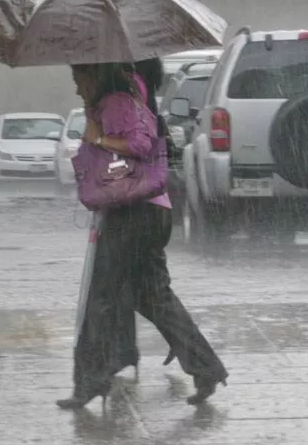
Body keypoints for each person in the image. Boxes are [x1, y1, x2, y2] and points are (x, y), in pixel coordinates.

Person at [58, 61, 228, 410]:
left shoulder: (119, 100)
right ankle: (205, 367)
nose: (76, 87)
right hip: (150, 210)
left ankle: (90, 381)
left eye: (79, 78)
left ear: (95, 74)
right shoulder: (121, 97)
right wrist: (93, 119)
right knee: (153, 297)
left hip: (134, 213)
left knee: (101, 297)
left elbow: (140, 144)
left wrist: (99, 137)